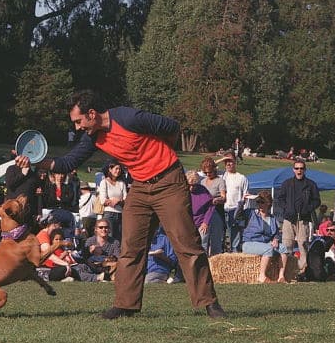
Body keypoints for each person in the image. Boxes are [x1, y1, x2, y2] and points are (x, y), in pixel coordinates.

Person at [32, 89, 224, 319]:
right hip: (140, 187)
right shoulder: (93, 137)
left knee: (186, 243)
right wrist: (35, 161)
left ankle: (209, 303)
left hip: (169, 181)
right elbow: (67, 162)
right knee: (130, 247)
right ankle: (126, 304)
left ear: (91, 114)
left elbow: (171, 126)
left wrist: (161, 153)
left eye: (78, 121)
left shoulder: (128, 118)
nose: (77, 127)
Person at [274, 161, 321, 271]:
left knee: (303, 244)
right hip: (289, 219)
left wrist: (307, 209)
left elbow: (317, 201)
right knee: (287, 244)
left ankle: (303, 270)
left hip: (303, 219)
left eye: (301, 168)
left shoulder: (310, 184)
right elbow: (280, 199)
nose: (299, 170)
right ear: (293, 169)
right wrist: (287, 208)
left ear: (305, 170)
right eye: (297, 168)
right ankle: (286, 270)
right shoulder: (287, 183)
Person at [241, 191, 289, 283]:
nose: (259, 204)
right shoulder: (251, 213)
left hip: (265, 243)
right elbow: (237, 216)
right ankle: (261, 276)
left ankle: (281, 276)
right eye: (258, 202)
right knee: (268, 249)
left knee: (283, 248)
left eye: (262, 202)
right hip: (249, 243)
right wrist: (242, 202)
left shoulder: (272, 218)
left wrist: (276, 239)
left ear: (268, 204)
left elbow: (277, 233)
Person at [216, 151, 248, 253]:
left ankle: (235, 257)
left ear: (235, 162)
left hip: (235, 210)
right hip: (221, 209)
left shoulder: (242, 177)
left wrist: (242, 211)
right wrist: (222, 159)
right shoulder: (221, 175)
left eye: (231, 161)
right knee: (220, 237)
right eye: (226, 162)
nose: (229, 164)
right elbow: (207, 166)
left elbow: (245, 196)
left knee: (235, 239)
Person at [200, 157, 226, 255]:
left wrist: (217, 200)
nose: (207, 175)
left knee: (216, 243)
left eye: (209, 172)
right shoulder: (202, 182)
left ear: (214, 169)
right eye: (205, 173)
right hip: (204, 215)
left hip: (216, 213)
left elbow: (224, 198)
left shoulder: (220, 181)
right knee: (203, 241)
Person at [98, 160, 127, 242]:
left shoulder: (121, 183)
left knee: (120, 238)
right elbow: (103, 200)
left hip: (120, 214)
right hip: (109, 214)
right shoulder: (104, 182)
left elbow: (126, 199)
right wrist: (114, 201)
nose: (118, 171)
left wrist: (117, 201)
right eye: (116, 169)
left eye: (119, 169)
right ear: (110, 169)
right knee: (110, 237)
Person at [185, 170, 214, 252]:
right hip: (187, 224)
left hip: (201, 224)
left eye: (194, 185)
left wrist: (206, 222)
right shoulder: (182, 191)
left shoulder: (203, 190)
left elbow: (210, 207)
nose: (191, 188)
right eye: (189, 185)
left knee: (202, 247)